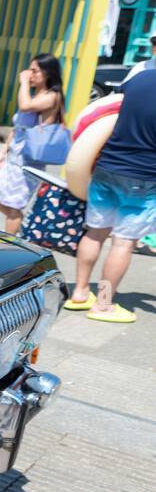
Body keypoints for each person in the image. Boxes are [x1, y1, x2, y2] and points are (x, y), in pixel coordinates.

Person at [65, 63, 156, 323]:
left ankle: (80, 293)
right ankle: (103, 303)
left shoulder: (139, 79)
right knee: (123, 242)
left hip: (107, 166)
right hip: (143, 177)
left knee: (95, 233)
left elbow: (112, 107)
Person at [0, 53, 64, 235]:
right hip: (13, 159)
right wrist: (2, 152)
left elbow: (25, 106)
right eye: (30, 70)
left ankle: (8, 244)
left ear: (47, 73)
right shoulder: (33, 95)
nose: (30, 74)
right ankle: (22, 232)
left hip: (29, 162)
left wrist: (23, 82)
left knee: (13, 207)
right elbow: (17, 128)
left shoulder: (52, 97)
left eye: (34, 71)